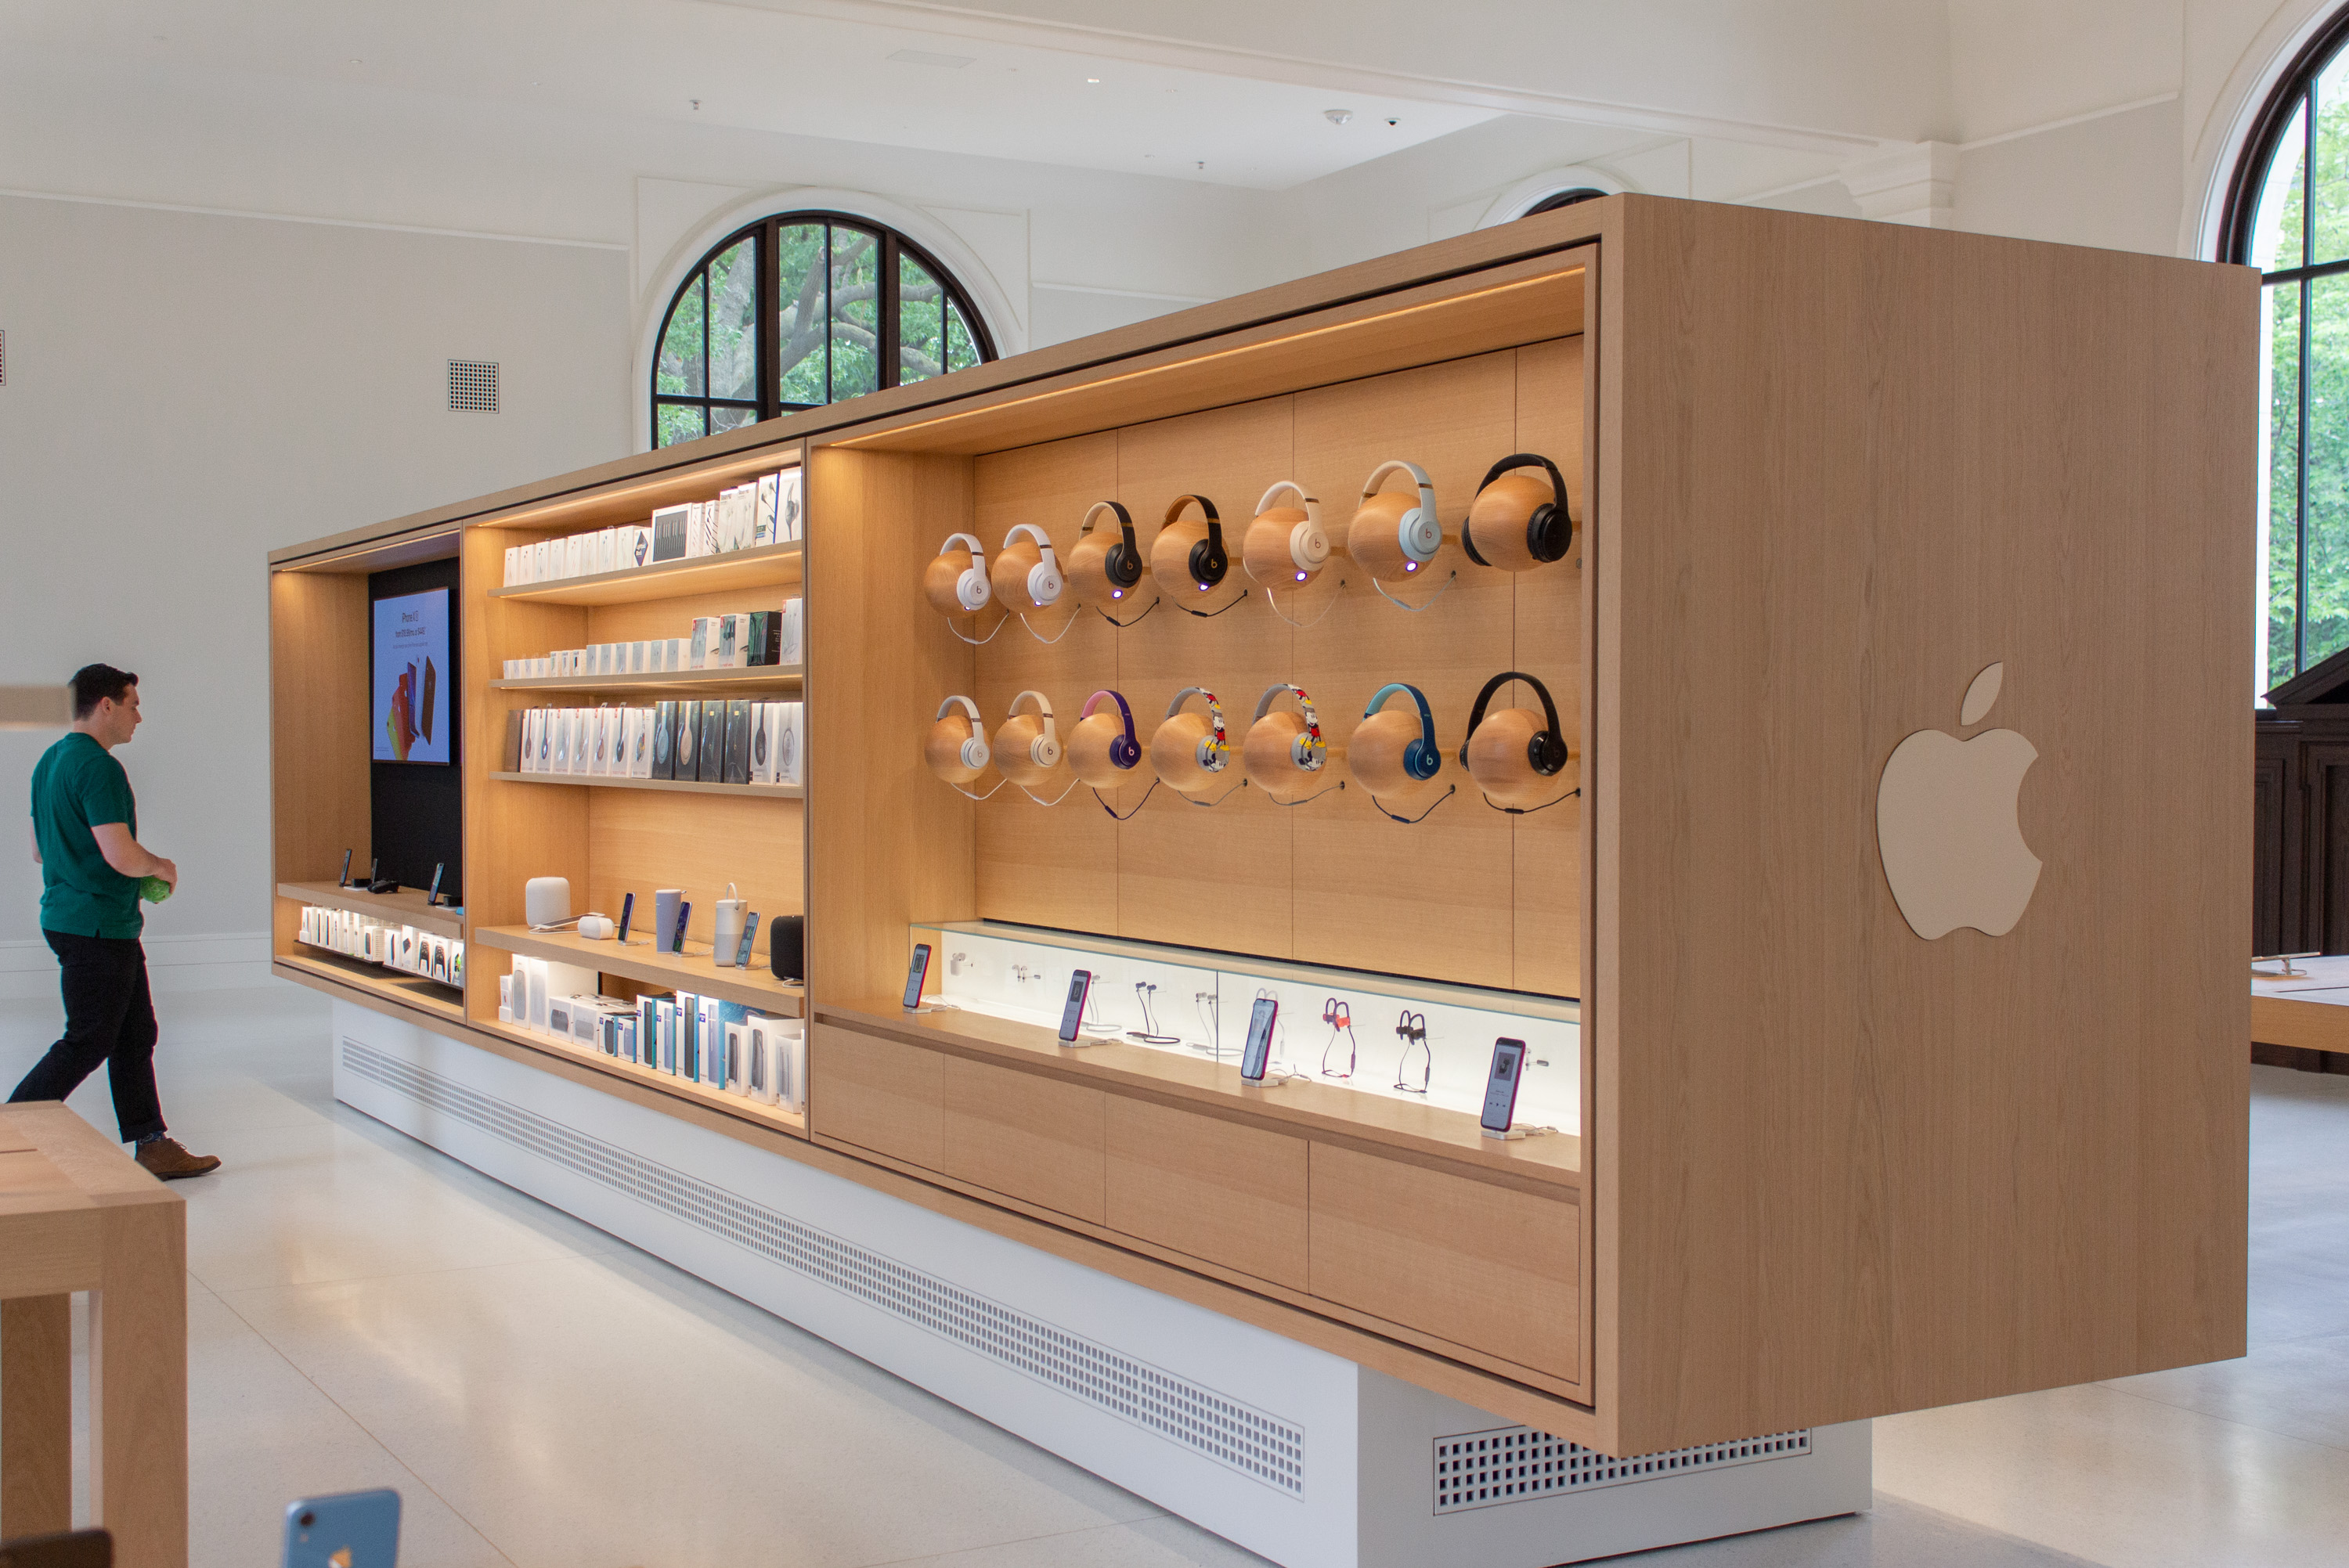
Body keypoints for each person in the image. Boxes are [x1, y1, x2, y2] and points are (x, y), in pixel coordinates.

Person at [9, 664, 219, 1178]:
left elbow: (40, 852)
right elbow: (120, 853)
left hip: (80, 918)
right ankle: (11, 1128)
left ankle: (152, 1142)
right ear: (105, 704)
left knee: (134, 1032)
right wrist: (161, 867)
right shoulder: (99, 768)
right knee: (88, 1038)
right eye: (132, 703)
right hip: (97, 924)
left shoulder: (49, 762)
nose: (138, 716)